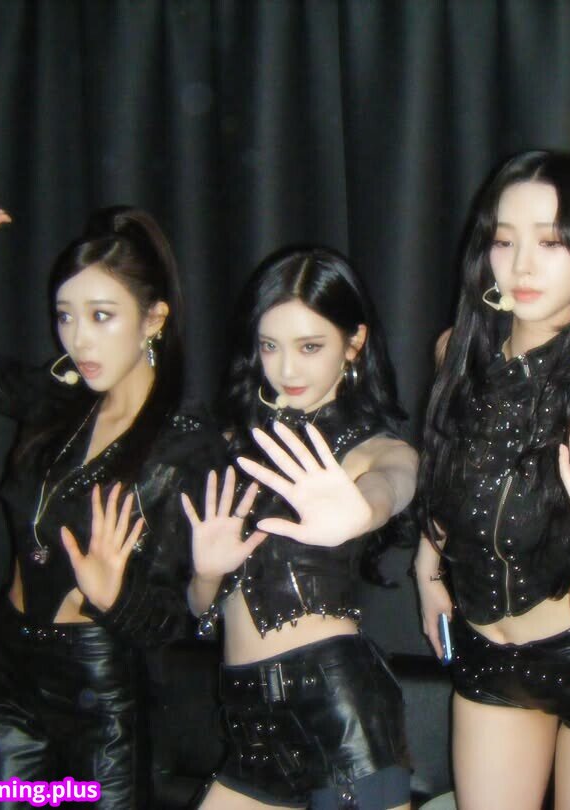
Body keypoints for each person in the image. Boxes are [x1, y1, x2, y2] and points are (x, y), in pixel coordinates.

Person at [0, 207, 227, 807]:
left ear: (153, 319)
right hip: (8, 664)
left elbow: (179, 622)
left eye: (102, 316)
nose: (78, 339)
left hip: (98, 686)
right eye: (65, 316)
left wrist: (115, 597)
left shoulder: (184, 448)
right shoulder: (60, 400)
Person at [415, 151, 570, 809]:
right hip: (487, 661)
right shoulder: (454, 356)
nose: (521, 265)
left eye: (551, 243)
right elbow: (443, 475)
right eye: (504, 240)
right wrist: (428, 568)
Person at [183, 247, 415, 809]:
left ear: (353, 343)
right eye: (270, 346)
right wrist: (207, 574)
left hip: (336, 712)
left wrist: (366, 510)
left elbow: (397, 477)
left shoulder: (368, 447)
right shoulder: (238, 447)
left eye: (310, 347)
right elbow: (200, 609)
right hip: (248, 718)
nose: (286, 370)